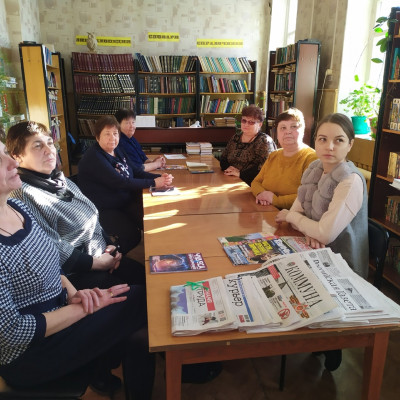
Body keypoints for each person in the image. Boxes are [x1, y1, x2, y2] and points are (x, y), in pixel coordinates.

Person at [0, 140, 155, 399]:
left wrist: (75, 294)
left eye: (5, 153)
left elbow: (51, 262)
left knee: (138, 307)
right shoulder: (24, 201)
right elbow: (11, 333)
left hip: (63, 311)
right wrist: (83, 308)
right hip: (32, 352)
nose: (12, 162)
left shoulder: (18, 208)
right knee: (142, 300)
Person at [275, 113, 369, 372]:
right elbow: (300, 211)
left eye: (339, 140)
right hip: (313, 249)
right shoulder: (315, 168)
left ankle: (332, 343)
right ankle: (312, 333)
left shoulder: (350, 180)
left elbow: (322, 232)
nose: (329, 146)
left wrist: (299, 221)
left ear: (350, 144)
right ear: (315, 141)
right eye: (322, 139)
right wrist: (308, 229)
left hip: (342, 263)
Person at [6, 121, 147, 290]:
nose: (49, 150)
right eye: (37, 146)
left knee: (145, 276)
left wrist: (110, 246)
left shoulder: (59, 179)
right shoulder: (23, 194)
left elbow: (91, 217)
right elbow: (51, 247)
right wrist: (98, 263)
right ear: (17, 156)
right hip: (76, 273)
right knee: (141, 294)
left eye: (50, 143)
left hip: (100, 255)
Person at [78, 116, 173, 254]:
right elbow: (121, 182)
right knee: (132, 236)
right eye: (107, 134)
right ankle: (114, 258)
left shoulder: (117, 150)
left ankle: (163, 251)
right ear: (97, 137)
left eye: (115, 133)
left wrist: (159, 178)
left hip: (124, 200)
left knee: (152, 220)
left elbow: (135, 171)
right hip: (106, 208)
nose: (112, 138)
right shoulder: (94, 158)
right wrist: (154, 182)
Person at [251, 108, 317, 209]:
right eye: (283, 128)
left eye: (293, 126)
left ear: (303, 131)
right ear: (277, 134)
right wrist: (261, 193)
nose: (288, 132)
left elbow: (308, 196)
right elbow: (256, 182)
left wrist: (275, 200)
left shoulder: (312, 158)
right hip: (264, 209)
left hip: (292, 215)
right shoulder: (274, 155)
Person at [219, 104, 277, 185]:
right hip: (231, 179)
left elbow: (265, 169)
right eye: (244, 121)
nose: (246, 124)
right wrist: (229, 168)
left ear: (260, 124)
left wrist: (240, 174)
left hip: (252, 184)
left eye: (251, 122)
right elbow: (223, 158)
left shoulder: (264, 141)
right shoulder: (236, 138)